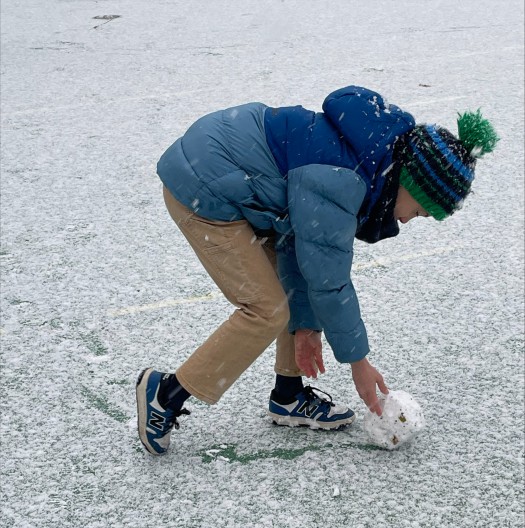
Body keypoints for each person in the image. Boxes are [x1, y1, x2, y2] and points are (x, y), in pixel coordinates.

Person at [136, 85, 497, 455]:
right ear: (411, 182)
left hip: (239, 179)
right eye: (419, 211)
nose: (407, 220)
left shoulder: (369, 159)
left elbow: (301, 244)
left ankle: (288, 394)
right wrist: (358, 362)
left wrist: (306, 326)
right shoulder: (344, 178)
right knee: (266, 310)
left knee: (291, 296)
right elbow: (329, 279)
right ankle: (165, 394)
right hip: (204, 185)